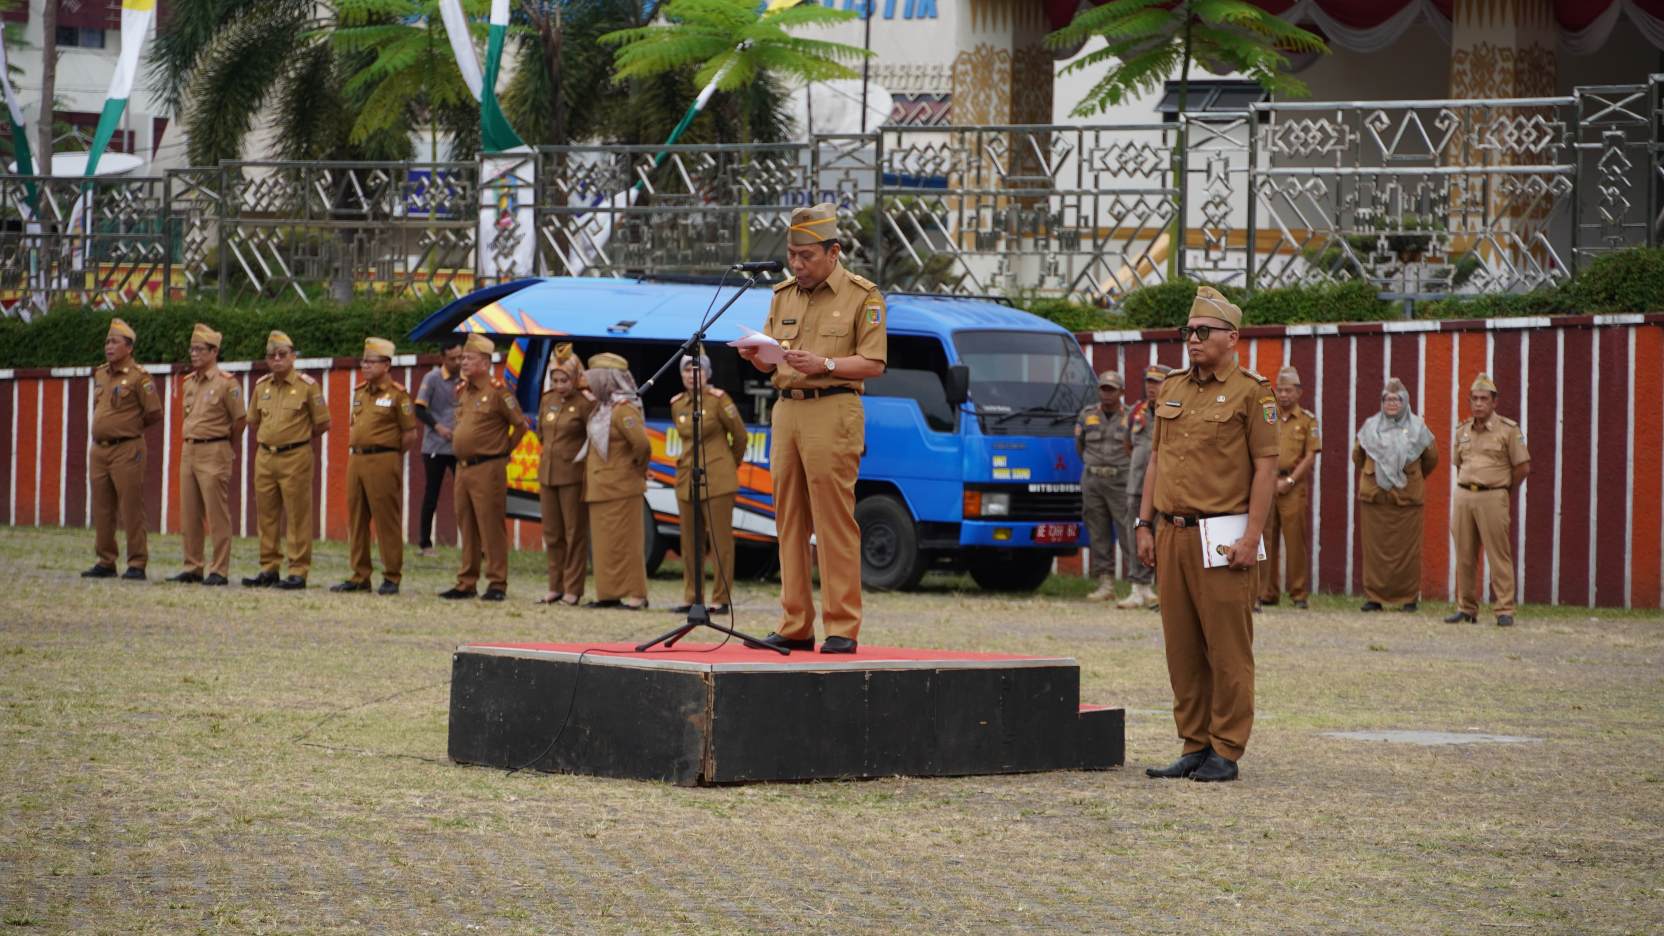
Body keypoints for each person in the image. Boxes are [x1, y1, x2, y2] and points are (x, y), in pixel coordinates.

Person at [1135, 286, 1277, 784]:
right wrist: (1144, 522)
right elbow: (1156, 460)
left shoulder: (1253, 392)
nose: (1192, 339)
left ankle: (1226, 747)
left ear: (1232, 337)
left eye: (1202, 331)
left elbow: (1266, 469)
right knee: (1182, 648)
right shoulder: (1172, 388)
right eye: (1187, 331)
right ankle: (1194, 744)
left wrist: (1252, 536)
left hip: (1222, 536)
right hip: (1171, 532)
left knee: (1227, 648)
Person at [737, 203, 886, 654]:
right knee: (788, 519)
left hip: (833, 408)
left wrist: (825, 363)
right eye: (792, 255)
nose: (797, 265)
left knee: (833, 520)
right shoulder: (783, 294)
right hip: (787, 410)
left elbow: (874, 363)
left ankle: (841, 626)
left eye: (806, 256)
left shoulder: (863, 296)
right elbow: (770, 360)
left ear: (833, 252)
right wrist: (756, 355)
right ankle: (795, 624)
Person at [441, 333, 526, 602]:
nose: (463, 362)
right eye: (463, 358)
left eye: (470, 358)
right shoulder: (463, 391)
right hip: (463, 468)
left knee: (490, 526)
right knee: (466, 525)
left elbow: (520, 426)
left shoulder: (498, 392)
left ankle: (497, 582)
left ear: (486, 363)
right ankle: (466, 581)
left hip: (488, 467)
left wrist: (503, 451)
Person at [244, 330, 330, 589]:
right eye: (271, 355)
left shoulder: (307, 386)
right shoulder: (261, 386)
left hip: (295, 456)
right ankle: (268, 568)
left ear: (293, 356)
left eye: (282, 354)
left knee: (297, 515)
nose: (277, 359)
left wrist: (296, 438)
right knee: (266, 515)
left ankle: (297, 570)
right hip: (265, 456)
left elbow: (322, 423)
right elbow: (253, 421)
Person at [332, 338, 417, 595]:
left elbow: (409, 434)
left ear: (386, 365)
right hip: (356, 459)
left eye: (372, 362)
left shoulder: (397, 394)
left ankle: (391, 575)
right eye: (364, 361)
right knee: (357, 519)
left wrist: (390, 455)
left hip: (383, 459)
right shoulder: (359, 392)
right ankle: (360, 575)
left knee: (386, 520)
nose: (365, 366)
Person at [1446, 373, 1530, 627]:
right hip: (1464, 495)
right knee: (1464, 555)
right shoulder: (1462, 430)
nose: (1479, 403)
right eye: (1474, 399)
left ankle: (1504, 609)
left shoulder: (1508, 430)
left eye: (1484, 399)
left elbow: (1522, 467)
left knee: (1498, 555)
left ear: (1494, 402)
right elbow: (1458, 463)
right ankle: (1466, 608)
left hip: (1493, 496)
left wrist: (1504, 489)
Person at [669, 350, 749, 616]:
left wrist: (727, 464)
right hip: (687, 479)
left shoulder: (719, 400)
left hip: (717, 478)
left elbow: (740, 436)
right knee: (689, 543)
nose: (692, 375)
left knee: (719, 542)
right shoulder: (677, 403)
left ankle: (721, 598)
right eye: (686, 370)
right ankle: (692, 596)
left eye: (698, 369)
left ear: (707, 373)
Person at [83, 318, 162, 581]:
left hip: (127, 448)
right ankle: (106, 560)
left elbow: (154, 412)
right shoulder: (100, 374)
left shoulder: (139, 377)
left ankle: (137, 563)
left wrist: (129, 428)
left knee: (131, 507)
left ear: (129, 347)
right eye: (107, 342)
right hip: (99, 450)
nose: (109, 346)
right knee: (102, 508)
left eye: (114, 342)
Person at [170, 323, 246, 586]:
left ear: (214, 352)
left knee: (216, 513)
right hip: (189, 449)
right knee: (189, 513)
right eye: (192, 349)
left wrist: (226, 445)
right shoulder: (189, 383)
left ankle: (219, 569)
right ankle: (192, 566)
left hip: (215, 448)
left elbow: (240, 420)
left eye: (200, 349)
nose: (194, 354)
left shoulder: (227, 383)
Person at [1354, 378, 1437, 613]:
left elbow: (1431, 459)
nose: (1391, 403)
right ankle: (1374, 598)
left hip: (1406, 501)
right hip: (1375, 500)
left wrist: (1411, 477)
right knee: (1375, 553)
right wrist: (1377, 474)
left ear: (1405, 402)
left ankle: (1408, 598)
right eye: (1387, 399)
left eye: (1397, 399)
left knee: (1407, 553)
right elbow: (1358, 456)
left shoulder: (1418, 428)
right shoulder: (1370, 427)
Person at [580, 353, 651, 610]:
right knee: (605, 545)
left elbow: (642, 445)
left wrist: (633, 470)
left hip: (622, 487)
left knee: (627, 543)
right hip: (601, 487)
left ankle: (636, 595)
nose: (590, 383)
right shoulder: (603, 408)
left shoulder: (623, 410)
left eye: (595, 378)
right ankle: (608, 593)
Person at [1257, 366, 1320, 611]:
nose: (1283, 395)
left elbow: (1310, 455)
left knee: (1295, 542)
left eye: (1288, 390)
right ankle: (1267, 592)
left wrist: (1290, 481)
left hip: (1293, 487)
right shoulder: (1268, 417)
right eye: (1280, 390)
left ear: (1299, 392)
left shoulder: (1306, 420)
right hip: (1267, 485)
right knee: (1265, 540)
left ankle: (1298, 593)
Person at [535, 343, 593, 606]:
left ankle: (573, 588)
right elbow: (541, 434)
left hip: (572, 476)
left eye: (564, 380)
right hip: (547, 474)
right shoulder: (547, 400)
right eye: (555, 380)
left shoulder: (585, 403)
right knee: (552, 533)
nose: (559, 385)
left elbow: (593, 438)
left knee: (574, 533)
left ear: (576, 377)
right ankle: (554, 586)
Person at [1076, 369, 1133, 602]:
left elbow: (1136, 447)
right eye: (1103, 389)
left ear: (1121, 392)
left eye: (1112, 390)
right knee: (1098, 532)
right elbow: (1080, 445)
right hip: (1093, 480)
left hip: (1121, 481)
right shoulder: (1087, 415)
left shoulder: (1131, 416)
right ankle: (1105, 583)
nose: (1107, 394)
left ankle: (1138, 583)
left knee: (1128, 531)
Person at [1117, 363, 1169, 610]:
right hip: (1137, 486)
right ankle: (1139, 587)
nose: (1151, 387)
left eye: (1157, 382)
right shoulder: (1136, 411)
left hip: (1166, 489)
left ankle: (1163, 588)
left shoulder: (1174, 410)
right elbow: (1128, 445)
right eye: (1149, 382)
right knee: (1135, 534)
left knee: (1165, 537)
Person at [414, 335, 464, 557]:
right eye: (453, 359)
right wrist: (438, 427)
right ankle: (425, 543)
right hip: (435, 445)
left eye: (460, 357)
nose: (458, 362)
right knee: (431, 494)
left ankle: (474, 544)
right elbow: (419, 409)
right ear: (443, 358)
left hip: (459, 445)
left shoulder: (466, 378)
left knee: (466, 494)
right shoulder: (432, 378)